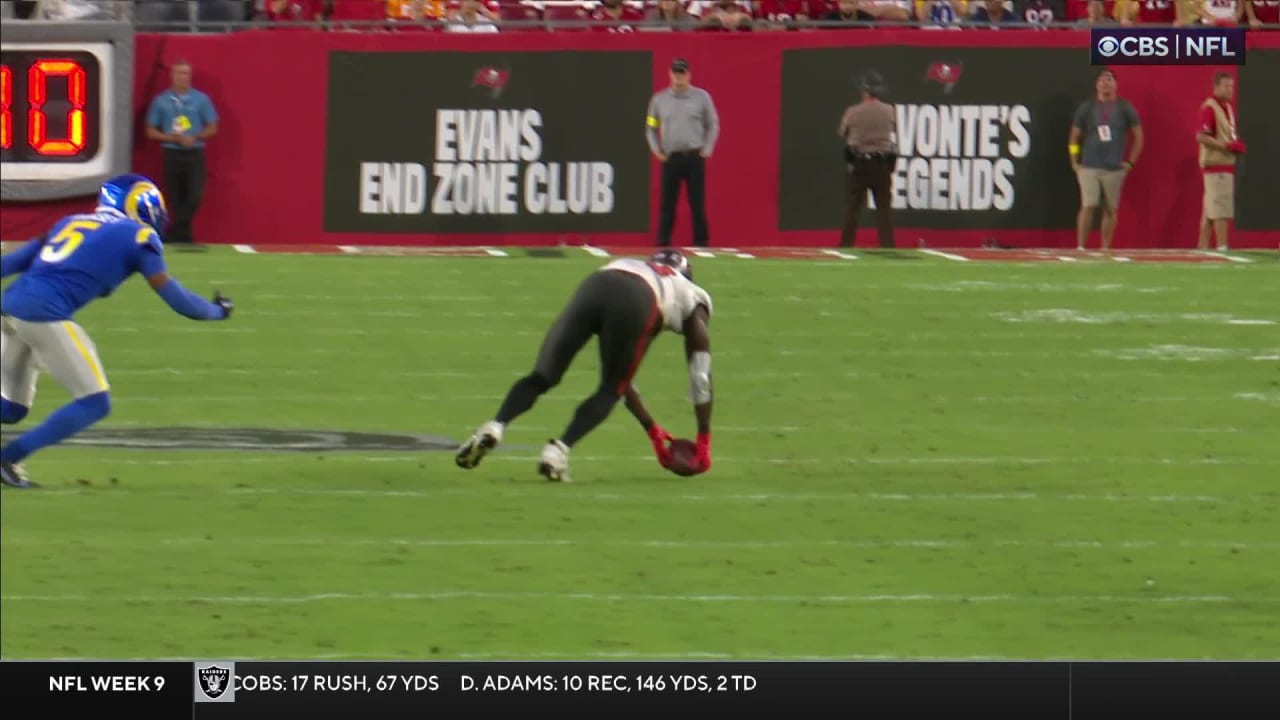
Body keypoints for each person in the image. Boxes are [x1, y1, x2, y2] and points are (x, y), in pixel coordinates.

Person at [0, 174, 233, 489]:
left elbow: (13, 262)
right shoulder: (136, 236)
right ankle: (8, 459)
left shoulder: (70, 222)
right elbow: (177, 299)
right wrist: (217, 311)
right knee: (94, 402)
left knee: (12, 409)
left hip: (10, 307)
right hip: (43, 314)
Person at [455, 249, 714, 483]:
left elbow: (625, 380)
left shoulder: (633, 265)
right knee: (609, 390)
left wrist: (652, 429)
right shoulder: (691, 295)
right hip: (639, 299)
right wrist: (704, 439)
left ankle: (496, 425)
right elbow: (700, 375)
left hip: (596, 283)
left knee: (543, 375)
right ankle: (558, 450)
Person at [646, 58, 721, 248]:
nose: (679, 77)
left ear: (689, 75)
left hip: (694, 156)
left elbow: (712, 123)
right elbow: (650, 127)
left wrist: (707, 149)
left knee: (697, 203)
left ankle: (701, 242)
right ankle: (663, 242)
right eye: (675, 73)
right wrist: (657, 150)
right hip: (671, 157)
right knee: (667, 203)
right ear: (670, 74)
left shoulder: (701, 97)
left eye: (682, 73)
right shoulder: (659, 100)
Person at [144, 60, 219, 244]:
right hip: (171, 153)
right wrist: (172, 138)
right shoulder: (161, 101)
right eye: (178, 73)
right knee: (176, 195)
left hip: (194, 152)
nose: (182, 77)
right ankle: (184, 237)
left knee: (195, 195)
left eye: (185, 74)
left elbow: (213, 127)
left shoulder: (201, 100)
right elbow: (150, 130)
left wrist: (195, 137)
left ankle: (175, 231)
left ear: (190, 76)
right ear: (172, 75)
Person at [1068, 69, 1143, 253]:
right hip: (1088, 166)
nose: (1105, 83)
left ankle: (1105, 247)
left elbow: (1139, 136)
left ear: (1116, 85)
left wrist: (1130, 162)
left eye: (1109, 80)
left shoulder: (1125, 108)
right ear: (1097, 85)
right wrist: (1074, 161)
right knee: (1088, 205)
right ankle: (1081, 246)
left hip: (1114, 168)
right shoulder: (1087, 108)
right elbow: (1074, 137)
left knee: (1110, 209)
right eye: (1102, 80)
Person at [837, 71, 897, 248]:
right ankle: (888, 245)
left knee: (853, 207)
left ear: (864, 90)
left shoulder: (853, 112)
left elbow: (842, 132)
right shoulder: (889, 111)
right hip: (882, 164)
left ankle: (846, 245)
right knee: (884, 208)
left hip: (859, 163)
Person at [1196, 72, 1246, 252]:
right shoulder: (1210, 107)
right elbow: (1201, 136)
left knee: (1210, 211)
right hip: (1216, 166)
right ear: (1215, 87)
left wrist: (1233, 145)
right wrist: (1227, 146)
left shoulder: (1227, 108)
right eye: (1225, 86)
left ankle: (1201, 248)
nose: (1229, 89)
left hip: (1224, 165)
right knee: (1220, 209)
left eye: (1231, 86)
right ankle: (1222, 246)